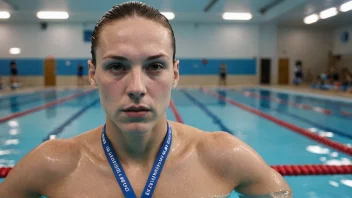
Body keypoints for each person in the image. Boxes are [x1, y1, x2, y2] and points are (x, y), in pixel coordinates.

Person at [0, 2, 292, 198]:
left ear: (175, 74)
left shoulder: (223, 157)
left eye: (155, 66)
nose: (137, 87)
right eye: (117, 66)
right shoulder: (52, 164)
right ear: (93, 74)